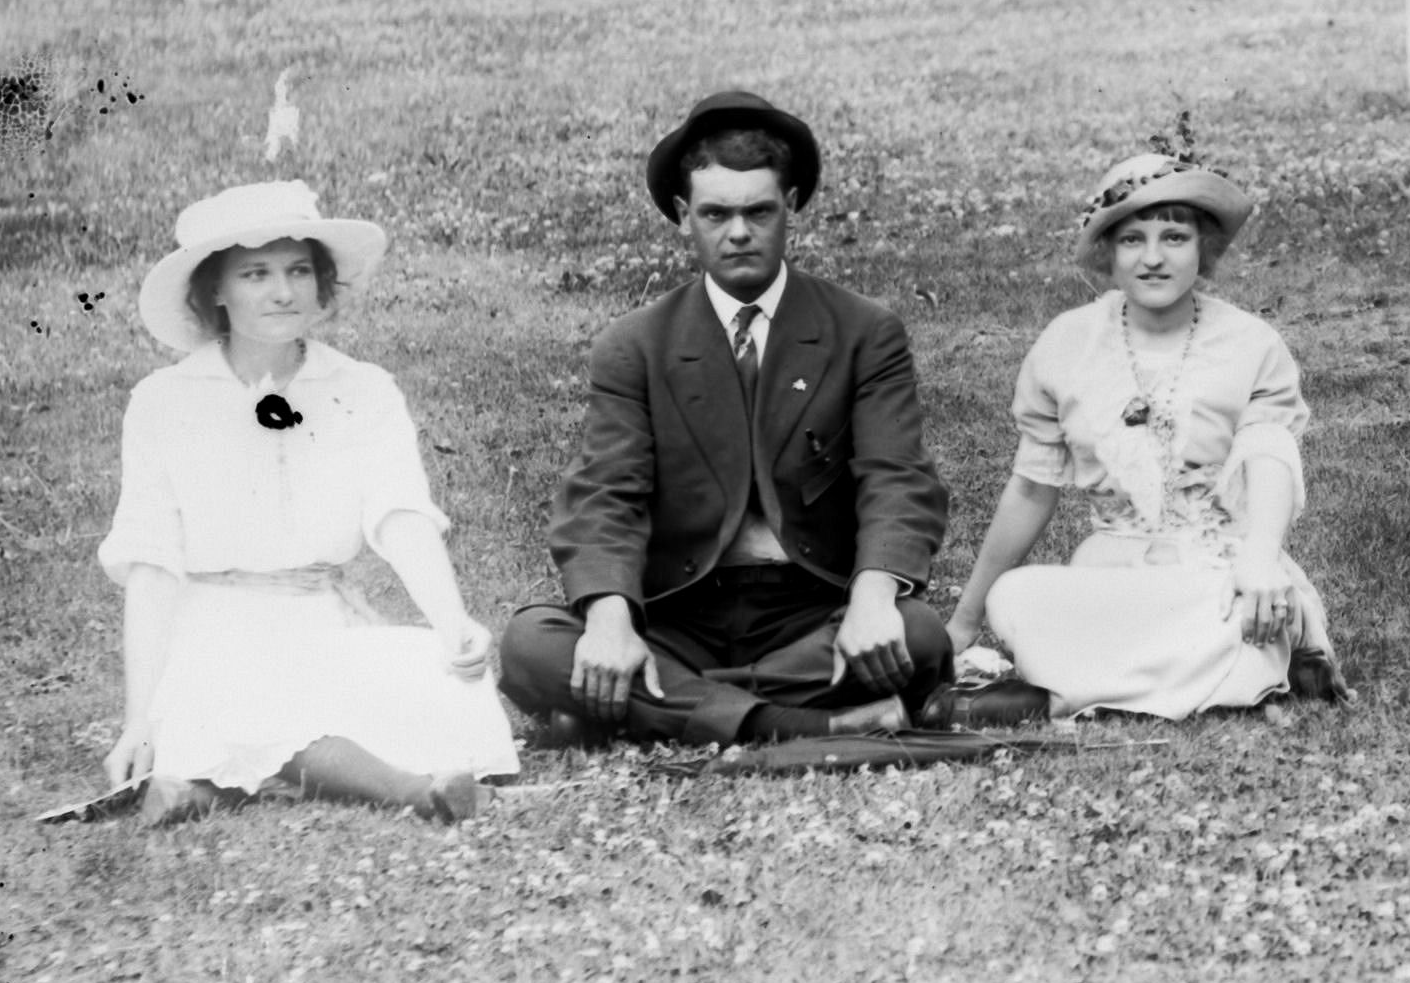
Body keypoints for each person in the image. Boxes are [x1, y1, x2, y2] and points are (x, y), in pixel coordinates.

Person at [499, 90, 957, 749]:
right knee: (530, 642)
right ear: (683, 214)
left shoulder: (863, 332)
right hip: (677, 613)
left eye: (758, 211)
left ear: (790, 205)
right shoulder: (635, 344)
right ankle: (800, 723)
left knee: (916, 633)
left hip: (811, 610)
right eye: (715, 213)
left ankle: (643, 708)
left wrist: (872, 597)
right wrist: (608, 620)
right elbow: (605, 493)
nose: (738, 232)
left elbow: (897, 477)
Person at [99, 180, 520, 825]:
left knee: (434, 675)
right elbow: (152, 565)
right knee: (253, 693)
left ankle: (204, 788)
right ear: (216, 289)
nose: (283, 291)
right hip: (214, 629)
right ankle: (411, 791)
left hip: (321, 619)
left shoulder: (362, 388)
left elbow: (399, 515)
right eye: (256, 274)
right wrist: (137, 720)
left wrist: (451, 620)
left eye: (298, 270)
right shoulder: (164, 401)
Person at [945, 146, 1350, 719]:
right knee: (1011, 597)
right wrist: (965, 620)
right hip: (1113, 574)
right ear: (1108, 253)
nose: (1153, 258)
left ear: (1204, 248)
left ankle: (1075, 685)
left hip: (1217, 567)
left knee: (1236, 605)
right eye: (1133, 239)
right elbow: (1032, 487)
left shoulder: (1251, 343)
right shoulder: (1065, 344)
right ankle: (1228, 667)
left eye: (1174, 238)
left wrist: (1260, 560)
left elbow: (1271, 456)